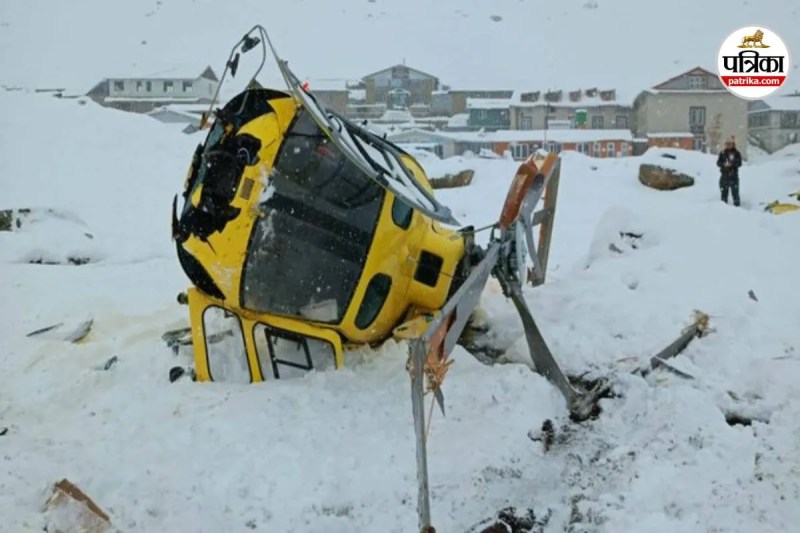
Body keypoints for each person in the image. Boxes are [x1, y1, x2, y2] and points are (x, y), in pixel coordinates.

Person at [717, 136, 742, 206]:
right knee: (723, 195)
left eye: (729, 144)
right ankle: (723, 208)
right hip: (724, 176)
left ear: (733, 144)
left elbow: (739, 163)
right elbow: (718, 163)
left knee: (735, 194)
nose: (728, 145)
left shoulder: (736, 153)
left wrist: (732, 164)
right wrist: (724, 164)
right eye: (726, 144)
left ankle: (737, 208)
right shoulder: (722, 153)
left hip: (734, 177)